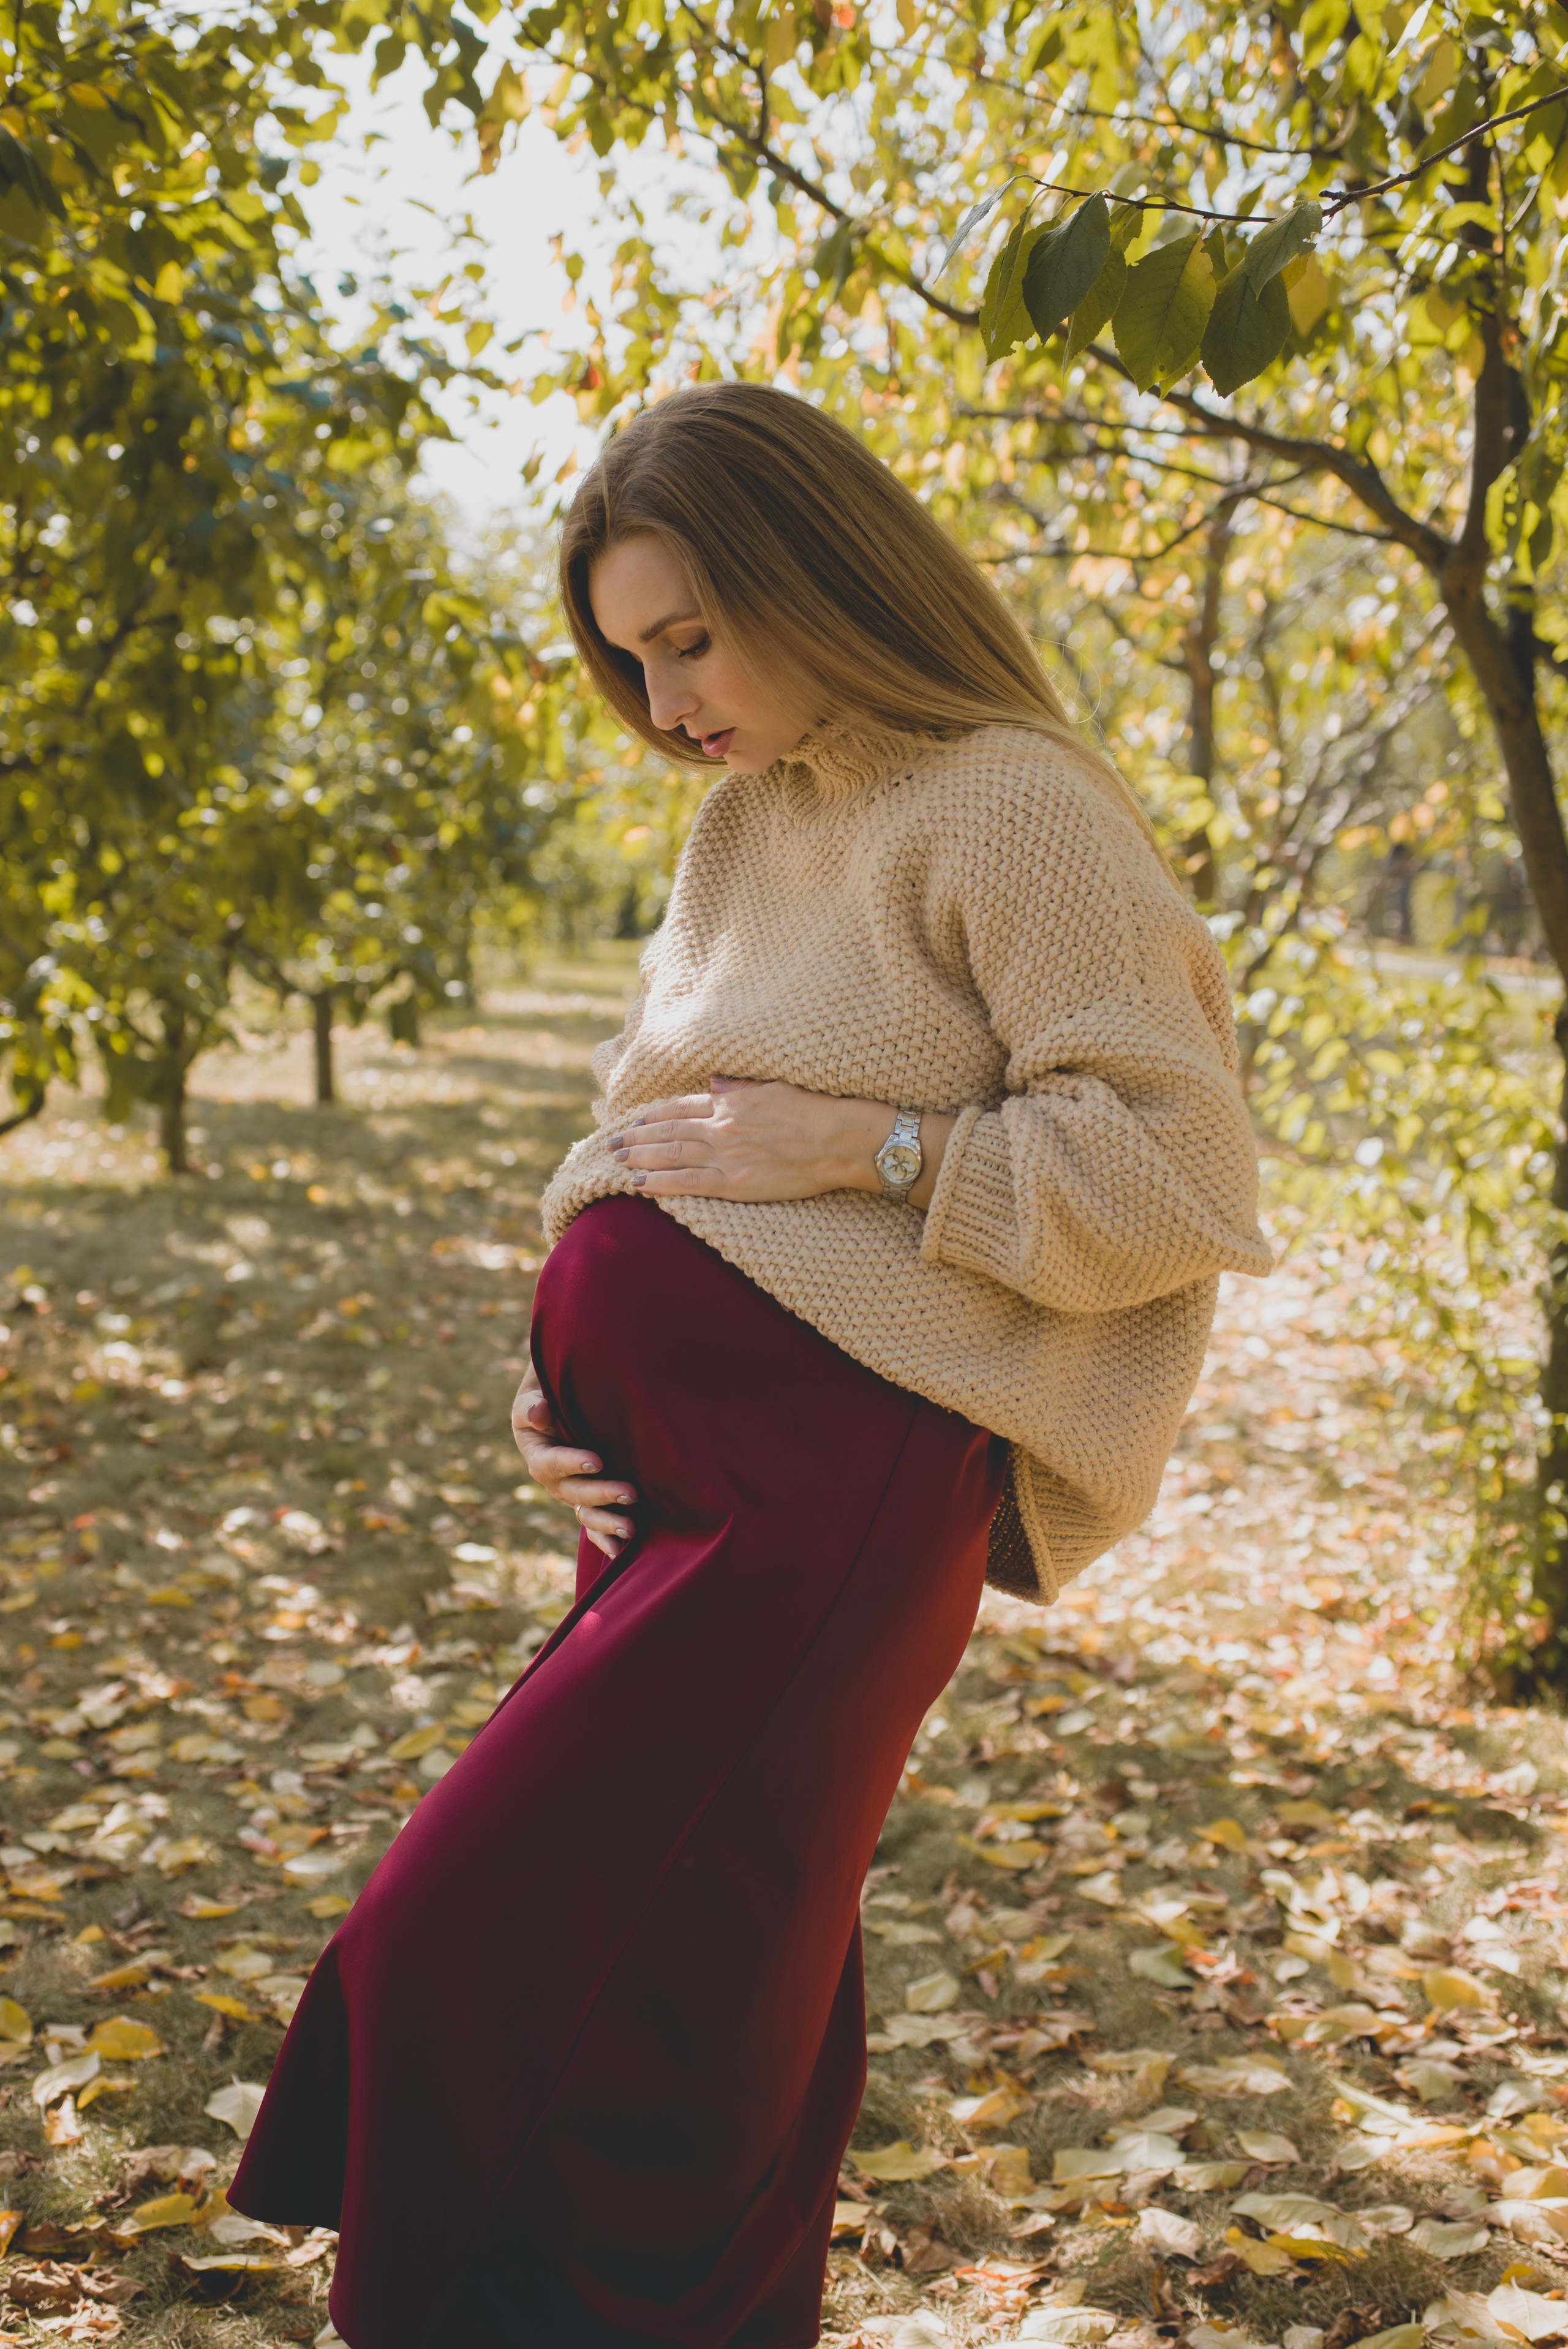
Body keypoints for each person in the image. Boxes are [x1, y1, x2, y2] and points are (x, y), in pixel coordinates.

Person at [228, 380, 1271, 2348]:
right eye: (633, 658)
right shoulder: (741, 826)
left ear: (813, 568)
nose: (667, 696)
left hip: (826, 1504)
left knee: (480, 1935)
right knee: (703, 1995)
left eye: (690, 635)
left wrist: (870, 1147)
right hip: (675, 1489)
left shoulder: (1007, 801)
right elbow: (633, 1127)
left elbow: (1180, 1167)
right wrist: (564, 1370)